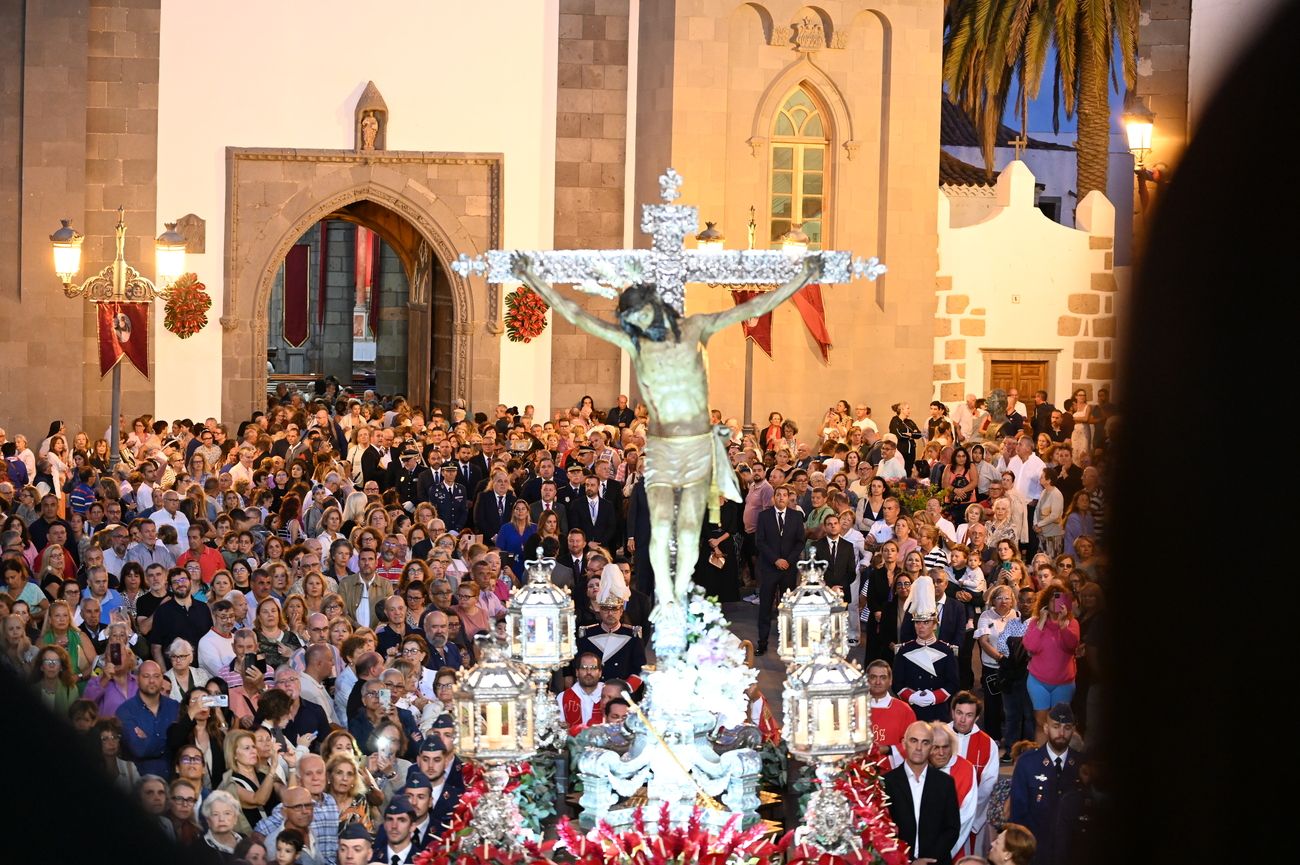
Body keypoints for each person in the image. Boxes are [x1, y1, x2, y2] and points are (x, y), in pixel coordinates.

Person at [513, 252, 826, 639]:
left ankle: (681, 598)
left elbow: (762, 303)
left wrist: (798, 278)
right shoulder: (636, 339)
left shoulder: (696, 326)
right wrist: (533, 280)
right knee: (661, 533)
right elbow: (578, 315)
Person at [1010, 703, 1083, 865]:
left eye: (1067, 727)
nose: (1061, 733)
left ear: (1073, 730)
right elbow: (1018, 816)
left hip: (1071, 854)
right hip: (1036, 854)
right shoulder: (1027, 763)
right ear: (1045, 728)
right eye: (1056, 726)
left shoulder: (1081, 765)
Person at [884, 721, 962, 865]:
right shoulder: (887, 782)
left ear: (931, 747)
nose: (919, 748)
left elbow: (952, 828)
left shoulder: (945, 783)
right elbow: (884, 830)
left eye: (925, 743)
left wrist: (927, 861)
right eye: (914, 741)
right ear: (904, 743)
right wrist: (909, 861)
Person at [893, 575, 959, 722]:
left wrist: (935, 697)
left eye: (926, 622)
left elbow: (953, 683)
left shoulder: (946, 651)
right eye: (917, 623)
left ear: (934, 625)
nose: (921, 626)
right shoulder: (904, 651)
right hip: (911, 711)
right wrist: (910, 696)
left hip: (938, 712)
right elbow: (897, 682)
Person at [1022, 584, 1080, 741]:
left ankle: (1059, 762)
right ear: (1046, 602)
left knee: (1060, 726)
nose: (1057, 603)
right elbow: (1031, 646)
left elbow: (1071, 645)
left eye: (1061, 599)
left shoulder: (1072, 623)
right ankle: (1042, 762)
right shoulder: (1035, 622)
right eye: (1053, 599)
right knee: (1042, 724)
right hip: (1038, 681)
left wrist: (1062, 625)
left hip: (1064, 682)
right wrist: (1041, 622)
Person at [754, 485, 805, 655]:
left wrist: (787, 561)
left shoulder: (797, 516)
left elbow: (800, 542)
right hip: (769, 568)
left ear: (788, 498)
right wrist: (775, 560)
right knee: (765, 607)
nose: (782, 498)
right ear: (774, 498)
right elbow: (760, 541)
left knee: (787, 608)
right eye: (779, 495)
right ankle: (762, 642)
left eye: (785, 495)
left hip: (788, 570)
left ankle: (788, 643)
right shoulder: (764, 516)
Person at [950, 692, 1000, 858]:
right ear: (952, 712)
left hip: (971, 815)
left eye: (969, 715)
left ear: (977, 717)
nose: (962, 720)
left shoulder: (987, 744)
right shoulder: (939, 736)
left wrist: (969, 814)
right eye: (959, 713)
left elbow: (988, 785)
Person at [116, 659, 180, 777]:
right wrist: (170, 740)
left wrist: (149, 739)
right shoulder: (125, 711)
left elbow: (180, 744)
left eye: (156, 676)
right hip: (141, 784)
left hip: (173, 781)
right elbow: (140, 749)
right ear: (137, 679)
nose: (152, 681)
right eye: (146, 676)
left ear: (162, 679)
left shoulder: (174, 707)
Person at [930, 723, 979, 863]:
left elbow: (966, 816)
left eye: (945, 747)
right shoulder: (918, 767)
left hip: (953, 846)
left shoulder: (965, 769)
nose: (941, 753)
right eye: (935, 747)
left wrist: (940, 851)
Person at [865, 660, 916, 772]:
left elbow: (913, 742)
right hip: (860, 772)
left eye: (883, 677)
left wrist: (889, 749)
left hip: (893, 772)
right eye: (873, 677)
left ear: (890, 681)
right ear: (867, 680)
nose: (878, 682)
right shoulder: (855, 707)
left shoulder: (904, 710)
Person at [559, 650, 604, 734]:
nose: (588, 672)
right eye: (584, 668)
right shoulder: (563, 697)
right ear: (577, 672)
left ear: (600, 673)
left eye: (593, 668)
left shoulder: (608, 695)